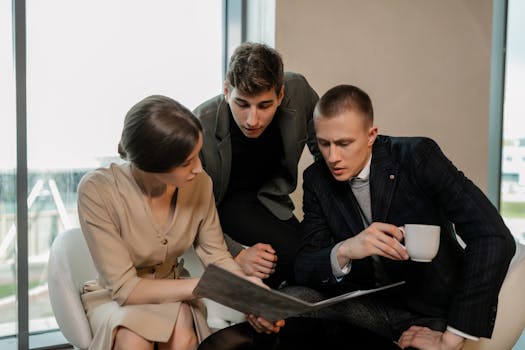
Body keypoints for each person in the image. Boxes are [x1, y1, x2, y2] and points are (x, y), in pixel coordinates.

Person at [294, 84, 516, 350]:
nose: (333, 157)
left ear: (370, 135)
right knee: (288, 307)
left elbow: (493, 236)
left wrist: (451, 336)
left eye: (344, 143)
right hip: (365, 306)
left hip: (430, 310)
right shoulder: (316, 179)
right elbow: (304, 266)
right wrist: (346, 249)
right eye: (324, 143)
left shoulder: (417, 157)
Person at [77, 95, 283, 350]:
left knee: (181, 333)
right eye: (187, 162)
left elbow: (216, 256)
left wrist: (250, 299)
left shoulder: (200, 184)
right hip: (115, 299)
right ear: (152, 165)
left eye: (198, 155)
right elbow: (125, 289)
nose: (198, 168)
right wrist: (212, 287)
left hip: (176, 290)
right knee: (132, 338)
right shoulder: (97, 190)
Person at [193, 42, 320, 288]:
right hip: (220, 206)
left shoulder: (299, 90)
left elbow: (326, 147)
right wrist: (236, 253)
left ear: (281, 94)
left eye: (264, 106)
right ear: (227, 91)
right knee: (294, 258)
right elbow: (191, 211)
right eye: (242, 104)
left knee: (313, 255)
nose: (253, 120)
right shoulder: (199, 126)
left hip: (271, 199)